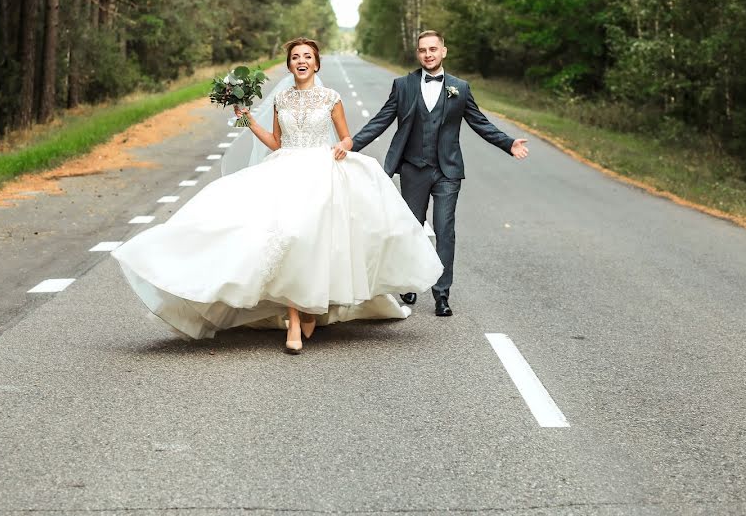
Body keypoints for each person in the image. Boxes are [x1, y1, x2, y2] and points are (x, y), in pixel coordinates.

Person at [112, 38, 443, 354]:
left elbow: (346, 138)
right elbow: (276, 142)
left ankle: (310, 311)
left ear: (316, 64)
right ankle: (295, 321)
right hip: (286, 168)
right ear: (289, 66)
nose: (301, 61)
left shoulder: (331, 97)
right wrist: (249, 122)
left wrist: (343, 146)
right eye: (296, 57)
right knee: (282, 235)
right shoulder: (282, 100)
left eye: (307, 57)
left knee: (308, 239)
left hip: (320, 170)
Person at [352, 30, 529, 317]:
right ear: (418, 53)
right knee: (411, 228)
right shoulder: (403, 85)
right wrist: (351, 145)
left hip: (448, 171)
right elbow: (380, 121)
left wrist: (508, 143)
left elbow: (480, 123)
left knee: (445, 231)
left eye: (433, 49)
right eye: (423, 50)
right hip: (413, 168)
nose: (428, 54)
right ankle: (409, 281)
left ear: (443, 51)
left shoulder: (460, 88)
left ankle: (441, 295)